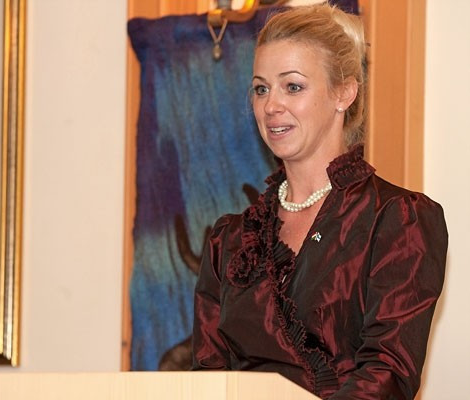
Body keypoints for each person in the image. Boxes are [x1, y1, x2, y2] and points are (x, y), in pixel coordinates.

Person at [191, 3, 448, 400]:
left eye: (292, 86)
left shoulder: (398, 220)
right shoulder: (229, 240)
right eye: (261, 88)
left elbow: (388, 373)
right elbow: (207, 377)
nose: (271, 105)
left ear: (344, 92)